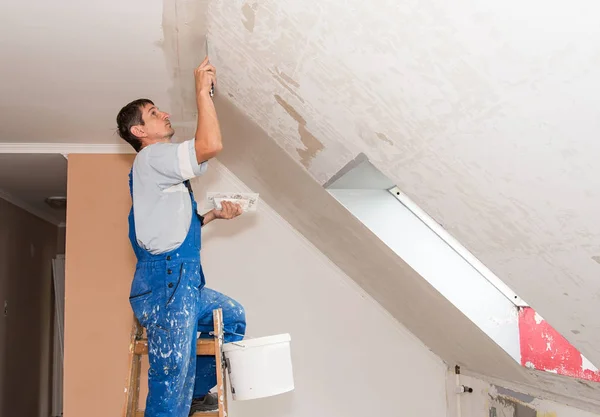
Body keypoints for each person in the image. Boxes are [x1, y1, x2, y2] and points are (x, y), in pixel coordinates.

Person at [116, 56, 246, 417]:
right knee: (170, 379)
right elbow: (209, 145)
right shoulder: (152, 157)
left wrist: (213, 215)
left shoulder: (159, 175)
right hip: (166, 283)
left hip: (184, 282)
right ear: (139, 132)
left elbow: (168, 231)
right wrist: (202, 92)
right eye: (155, 113)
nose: (165, 115)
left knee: (232, 318)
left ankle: (192, 397)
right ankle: (178, 403)